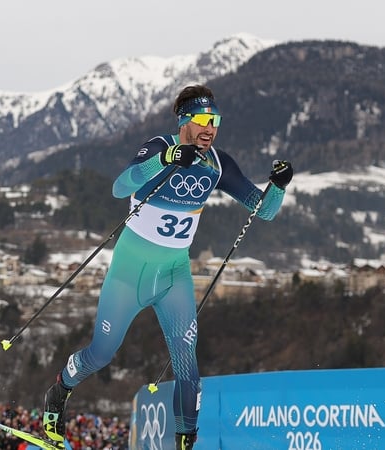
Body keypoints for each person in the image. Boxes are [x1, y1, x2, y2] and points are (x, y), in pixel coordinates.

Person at [40, 84, 293, 450]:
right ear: (185, 121)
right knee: (101, 353)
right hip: (130, 272)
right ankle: (59, 390)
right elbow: (119, 186)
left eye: (216, 121)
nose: (211, 128)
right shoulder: (159, 147)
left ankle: (185, 441)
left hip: (174, 275)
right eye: (204, 120)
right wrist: (167, 158)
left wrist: (279, 187)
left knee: (187, 364)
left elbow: (263, 210)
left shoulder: (218, 163)